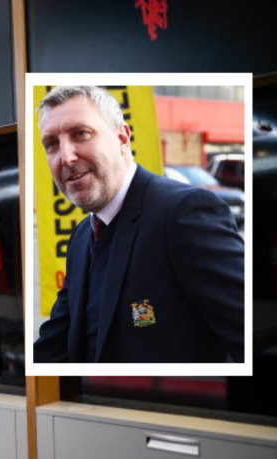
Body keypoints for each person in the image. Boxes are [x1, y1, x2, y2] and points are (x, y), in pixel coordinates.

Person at [33, 86, 244, 363]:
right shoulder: (83, 236)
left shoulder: (185, 213)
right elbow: (56, 345)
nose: (66, 157)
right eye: (52, 144)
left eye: (80, 134)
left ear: (122, 138)